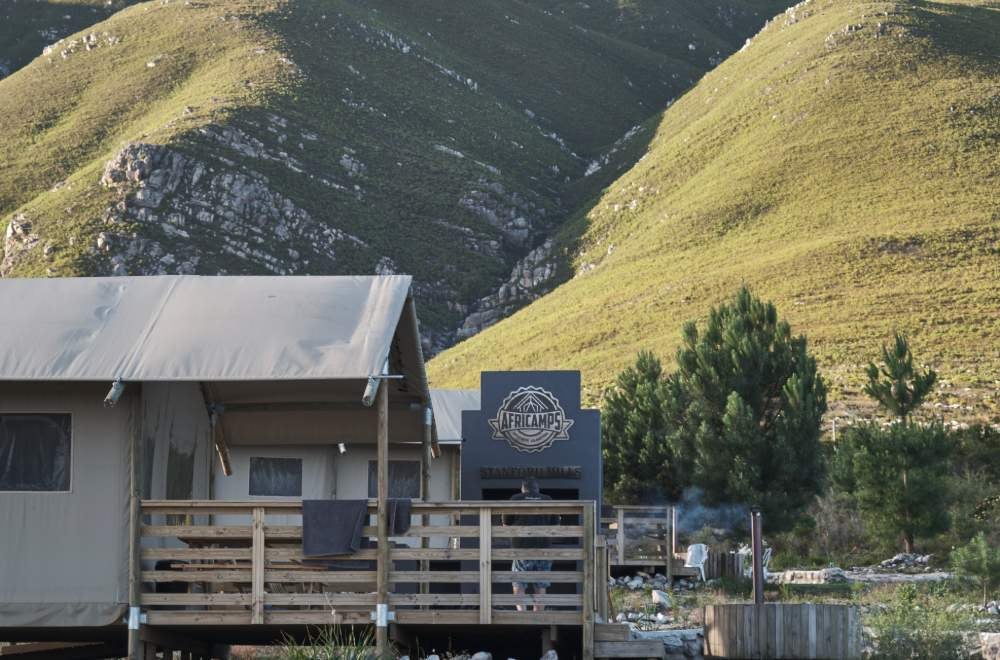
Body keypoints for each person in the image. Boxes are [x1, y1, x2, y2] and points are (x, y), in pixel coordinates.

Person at [502, 478, 559, 612]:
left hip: (521, 549)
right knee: (540, 585)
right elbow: (556, 524)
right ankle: (537, 616)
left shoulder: (515, 498)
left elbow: (506, 523)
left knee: (518, 584)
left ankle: (522, 614)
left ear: (523, 489)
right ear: (537, 489)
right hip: (543, 548)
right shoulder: (548, 499)